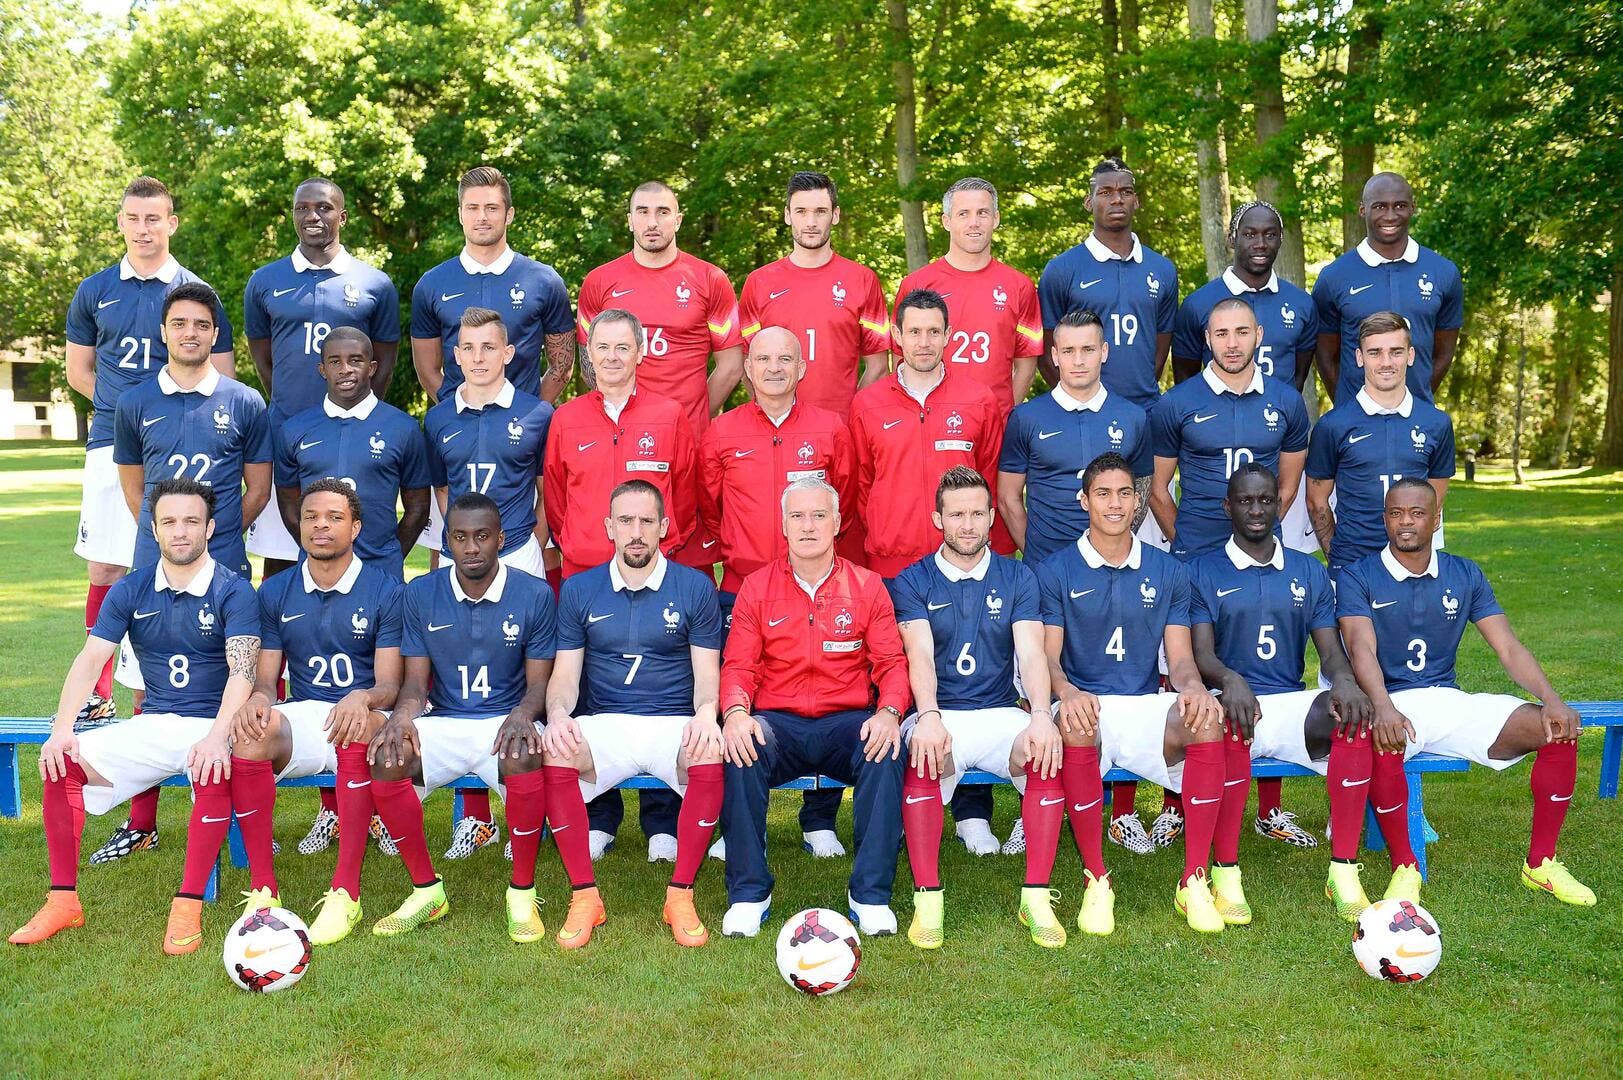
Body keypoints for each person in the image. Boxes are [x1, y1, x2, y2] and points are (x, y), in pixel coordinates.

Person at [10, 479, 259, 952]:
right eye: (169, 522)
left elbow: (242, 673)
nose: (180, 531)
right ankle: (63, 900)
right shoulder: (132, 588)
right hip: (154, 722)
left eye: (191, 521)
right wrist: (62, 731)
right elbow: (90, 659)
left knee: (212, 766)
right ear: (155, 528)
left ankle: (188, 906)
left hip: (214, 722)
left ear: (210, 527)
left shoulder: (234, 591)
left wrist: (216, 736)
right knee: (62, 761)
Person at [1336, 478, 1595, 909]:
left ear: (1436, 519)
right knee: (1382, 738)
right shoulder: (1358, 576)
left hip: (1449, 700)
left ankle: (1542, 862)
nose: (1406, 522)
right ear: (1384, 518)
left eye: (1417, 513)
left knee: (1556, 730)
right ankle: (1406, 867)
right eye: (1396, 513)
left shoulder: (1464, 572)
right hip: (1394, 700)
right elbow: (1360, 647)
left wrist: (1552, 699)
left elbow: (1508, 648)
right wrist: (1382, 706)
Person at [66, 176, 234, 737]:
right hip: (112, 439)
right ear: (121, 223)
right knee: (108, 567)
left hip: (186, 444)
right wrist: (134, 411)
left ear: (171, 223)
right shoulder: (95, 290)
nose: (144, 229)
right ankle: (97, 696)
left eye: (154, 219)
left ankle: (190, 691)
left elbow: (225, 374)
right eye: (134, 219)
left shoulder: (194, 289)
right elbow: (78, 370)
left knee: (175, 564)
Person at [1035, 453, 1226, 936]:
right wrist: (1067, 691)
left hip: (1143, 704)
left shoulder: (1167, 571)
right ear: (1084, 501)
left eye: (1125, 493)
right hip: (1085, 703)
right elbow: (1049, 660)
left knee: (1207, 718)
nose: (1115, 504)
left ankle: (1194, 879)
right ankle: (1096, 879)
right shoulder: (1056, 570)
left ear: (1139, 501)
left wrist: (1194, 688)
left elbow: (1180, 658)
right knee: (1077, 722)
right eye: (1103, 493)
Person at [1148, 297, 1313, 849]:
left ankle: (1270, 807)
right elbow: (1157, 487)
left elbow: (1287, 486)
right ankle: (1176, 802)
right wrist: (1186, 543)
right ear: (1207, 340)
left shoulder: (1287, 403)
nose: (1232, 342)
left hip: (1262, 559)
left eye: (1242, 331)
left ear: (1259, 334)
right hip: (1196, 558)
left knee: (1263, 666)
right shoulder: (1178, 403)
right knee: (1189, 672)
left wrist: (1260, 536)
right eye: (1221, 333)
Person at [717, 478, 910, 938]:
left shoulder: (867, 586)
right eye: (798, 516)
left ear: (838, 523)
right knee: (742, 746)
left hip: (846, 722)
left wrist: (889, 713)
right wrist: (736, 713)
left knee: (886, 749)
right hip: (778, 723)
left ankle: (870, 895)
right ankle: (749, 893)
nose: (808, 525)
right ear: (783, 525)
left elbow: (891, 663)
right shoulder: (758, 587)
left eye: (819, 515)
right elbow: (738, 665)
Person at [850, 288, 1006, 853]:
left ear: (948, 336)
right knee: (891, 686)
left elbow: (985, 478)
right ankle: (887, 804)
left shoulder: (978, 399)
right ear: (897, 336)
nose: (922, 341)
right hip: (892, 568)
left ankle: (971, 810)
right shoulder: (868, 404)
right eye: (911, 331)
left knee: (969, 682)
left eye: (932, 331)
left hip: (959, 567)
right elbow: (861, 484)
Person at [365, 494, 560, 941]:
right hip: (448, 721)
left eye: (482, 537)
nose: (471, 547)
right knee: (388, 758)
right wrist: (400, 718)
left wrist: (523, 715)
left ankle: (522, 892)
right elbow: (415, 685)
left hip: (506, 719)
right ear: (447, 541)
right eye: (460, 537)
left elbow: (539, 687)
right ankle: (426, 891)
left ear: (501, 540)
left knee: (524, 748)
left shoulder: (533, 593)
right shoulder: (420, 594)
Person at [540, 480, 726, 948]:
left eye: (647, 521)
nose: (636, 532)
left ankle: (680, 894)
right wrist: (559, 713)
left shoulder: (695, 587)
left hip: (672, 722)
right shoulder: (580, 589)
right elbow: (564, 674)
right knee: (557, 752)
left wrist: (707, 714)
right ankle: (585, 896)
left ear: (664, 526)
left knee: (707, 754)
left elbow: (707, 672)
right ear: (609, 527)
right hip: (607, 723)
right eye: (626, 521)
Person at [543, 307, 701, 859]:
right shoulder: (566, 419)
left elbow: (683, 491)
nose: (611, 357)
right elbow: (558, 498)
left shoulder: (669, 415)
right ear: (589, 355)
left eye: (621, 347)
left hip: (654, 572)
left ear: (640, 352)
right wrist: (580, 544)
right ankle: (599, 815)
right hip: (587, 576)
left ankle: (663, 822)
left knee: (659, 691)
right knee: (590, 690)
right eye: (601, 348)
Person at [1188, 465, 1375, 924]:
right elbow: (1200, 655)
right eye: (1246, 501)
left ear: (1279, 505)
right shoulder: (1202, 569)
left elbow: (1330, 651)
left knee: (1353, 720)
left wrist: (1346, 681)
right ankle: (1226, 872)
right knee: (1228, 723)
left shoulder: (1307, 571)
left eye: (1266, 501)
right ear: (1227, 506)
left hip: (1288, 703)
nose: (1257, 510)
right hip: (1230, 701)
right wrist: (1230, 680)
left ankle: (1344, 870)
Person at [699, 326, 858, 858]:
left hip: (818, 588)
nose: (773, 368)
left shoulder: (831, 429)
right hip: (743, 588)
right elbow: (707, 505)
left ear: (802, 368)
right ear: (746, 368)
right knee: (741, 700)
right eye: (762, 358)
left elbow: (848, 501)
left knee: (826, 697)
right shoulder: (721, 432)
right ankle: (739, 824)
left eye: (784, 359)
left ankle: (819, 821)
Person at [892, 468, 1065, 949]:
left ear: (992, 517)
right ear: (938, 519)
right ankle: (928, 901)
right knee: (925, 755)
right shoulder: (913, 580)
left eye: (976, 514)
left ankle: (1035, 897)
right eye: (956, 515)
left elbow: (1031, 653)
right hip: (940, 711)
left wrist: (1040, 715)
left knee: (1043, 749)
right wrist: (927, 716)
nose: (967, 525)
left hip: (998, 711)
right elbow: (919, 655)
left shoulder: (1017, 575)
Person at [227, 480, 404, 945]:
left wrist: (361, 696)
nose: (321, 525)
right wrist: (261, 701)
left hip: (367, 717)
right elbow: (267, 680)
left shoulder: (385, 589)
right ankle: (264, 889)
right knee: (250, 734)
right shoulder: (277, 590)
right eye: (310, 517)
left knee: (356, 724)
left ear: (356, 527)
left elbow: (389, 685)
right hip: (308, 714)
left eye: (334, 517)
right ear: (299, 525)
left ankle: (346, 890)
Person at [422, 307, 555, 859]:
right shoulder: (437, 419)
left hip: (520, 548)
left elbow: (548, 489)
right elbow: (443, 495)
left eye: (488, 348)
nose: (477, 358)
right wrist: (453, 554)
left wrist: (538, 547)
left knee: (527, 675)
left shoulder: (539, 413)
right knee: (460, 671)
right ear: (455, 357)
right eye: (467, 348)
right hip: (464, 557)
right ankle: (473, 818)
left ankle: (531, 802)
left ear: (509, 354)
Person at [243, 176, 400, 577]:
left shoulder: (374, 283)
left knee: (354, 541)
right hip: (286, 432)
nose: (312, 216)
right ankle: (283, 636)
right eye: (302, 208)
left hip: (354, 433)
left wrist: (354, 409)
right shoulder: (265, 281)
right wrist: (289, 405)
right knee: (282, 554)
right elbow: (263, 355)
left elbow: (383, 360)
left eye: (324, 208)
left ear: (342, 216)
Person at [113, 282, 271, 580]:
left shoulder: (246, 401)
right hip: (155, 554)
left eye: (201, 324)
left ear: (215, 334)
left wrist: (214, 532)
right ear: (163, 332)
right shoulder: (133, 402)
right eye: (179, 323)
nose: (190, 332)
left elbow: (260, 491)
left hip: (223, 553)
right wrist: (167, 533)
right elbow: (133, 489)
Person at [576, 181, 744, 437]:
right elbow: (590, 361)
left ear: (677, 220)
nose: (652, 222)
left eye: (662, 212)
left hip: (686, 436)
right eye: (643, 212)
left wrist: (693, 415)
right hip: (619, 434)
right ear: (630, 221)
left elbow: (731, 365)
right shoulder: (598, 281)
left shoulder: (710, 279)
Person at [1306, 311, 1455, 578]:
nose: (1386, 362)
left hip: (1413, 567)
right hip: (1352, 566)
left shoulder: (1437, 424)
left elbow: (1434, 503)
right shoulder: (1332, 426)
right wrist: (1339, 557)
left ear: (1410, 356)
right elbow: (1317, 501)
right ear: (1359, 358)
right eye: (1375, 353)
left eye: (1396, 352)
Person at [998, 309, 1152, 568]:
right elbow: (1007, 497)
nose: (1078, 360)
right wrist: (1037, 555)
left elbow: (1141, 493)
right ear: (1055, 356)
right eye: (1068, 351)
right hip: (1046, 567)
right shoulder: (1026, 418)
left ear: (1103, 352)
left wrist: (1113, 545)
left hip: (1112, 565)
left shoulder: (1134, 418)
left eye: (1088, 349)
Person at [409, 166, 575, 403]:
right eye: (472, 208)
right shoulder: (431, 284)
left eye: (492, 208)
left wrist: (532, 414)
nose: (482, 217)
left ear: (509, 215)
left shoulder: (544, 281)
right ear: (460, 214)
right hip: (457, 432)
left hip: (526, 432)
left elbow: (562, 366)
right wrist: (453, 414)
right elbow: (427, 370)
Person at [738, 171, 891, 416]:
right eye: (801, 211)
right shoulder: (759, 282)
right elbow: (745, 363)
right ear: (788, 216)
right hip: (778, 430)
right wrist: (771, 413)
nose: (811, 222)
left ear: (835, 215)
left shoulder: (862, 280)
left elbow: (879, 366)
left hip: (841, 432)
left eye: (820, 211)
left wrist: (852, 418)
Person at [1037, 158, 1177, 413]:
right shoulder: (1061, 270)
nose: (1117, 199)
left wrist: (1133, 407)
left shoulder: (1163, 270)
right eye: (1105, 192)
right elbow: (1047, 354)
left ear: (1136, 201)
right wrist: (1081, 402)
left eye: (1126, 192)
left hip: (1145, 411)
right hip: (1083, 413)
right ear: (1088, 202)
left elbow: (1159, 352)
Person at [1311, 172, 1463, 406]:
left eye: (1399, 206)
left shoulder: (1443, 273)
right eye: (1380, 206)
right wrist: (1348, 405)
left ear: (1412, 208)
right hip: (1354, 421)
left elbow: (1443, 352)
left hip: (1416, 421)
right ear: (1363, 210)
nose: (1390, 216)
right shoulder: (1334, 277)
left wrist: (1413, 401)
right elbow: (1325, 357)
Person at [895, 177, 1043, 411]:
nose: (974, 222)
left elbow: (1026, 365)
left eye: (983, 213)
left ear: (996, 219)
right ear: (946, 221)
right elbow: (900, 358)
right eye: (963, 213)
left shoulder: (1020, 287)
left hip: (994, 427)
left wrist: (1001, 416)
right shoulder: (916, 284)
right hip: (931, 421)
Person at [1171, 200, 1317, 390]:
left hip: (1277, 417)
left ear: (1281, 239)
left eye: (1270, 235)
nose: (1261, 244)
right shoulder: (1197, 304)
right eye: (1249, 234)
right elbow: (1185, 379)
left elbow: (1298, 377)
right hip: (1217, 417)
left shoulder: (1302, 304)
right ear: (1232, 238)